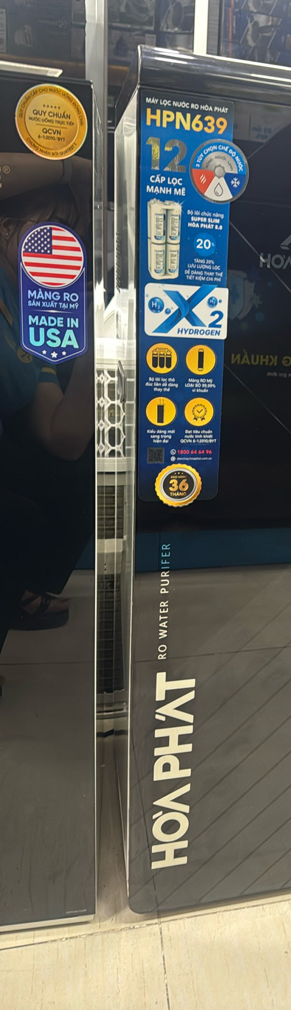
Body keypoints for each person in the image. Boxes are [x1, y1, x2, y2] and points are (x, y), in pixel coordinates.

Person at [0, 156, 94, 655]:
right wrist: (71, 170)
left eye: (71, 233)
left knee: (81, 480)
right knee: (15, 519)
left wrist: (101, 347)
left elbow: (63, 439)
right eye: (52, 227)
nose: (62, 243)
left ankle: (18, 592)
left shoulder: (31, 312)